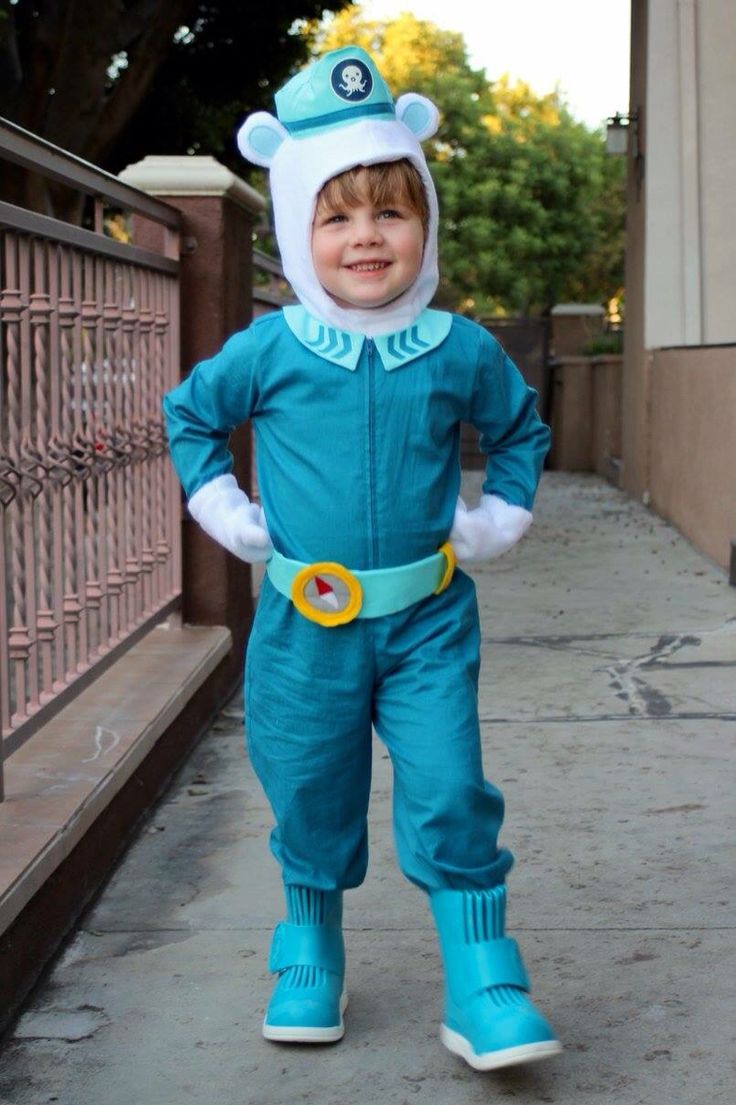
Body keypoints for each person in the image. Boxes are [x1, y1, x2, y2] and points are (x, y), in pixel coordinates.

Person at [163, 46, 561, 1072]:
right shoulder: (274, 348)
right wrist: (225, 507)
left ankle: (483, 979)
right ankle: (309, 945)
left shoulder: (459, 347)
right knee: (308, 786)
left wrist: (495, 517)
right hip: (305, 626)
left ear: (423, 220)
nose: (366, 236)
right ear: (301, 230)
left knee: (450, 786)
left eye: (390, 209)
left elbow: (519, 432)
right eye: (336, 215)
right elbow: (190, 419)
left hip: (427, 620)